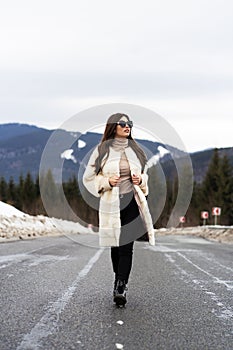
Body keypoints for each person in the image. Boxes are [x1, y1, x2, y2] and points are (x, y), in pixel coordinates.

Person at [83, 113, 155, 306]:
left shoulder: (136, 150)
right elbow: (88, 178)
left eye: (129, 123)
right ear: (113, 127)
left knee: (126, 246)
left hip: (132, 201)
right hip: (112, 204)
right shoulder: (102, 150)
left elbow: (144, 175)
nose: (127, 126)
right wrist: (106, 182)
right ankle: (118, 279)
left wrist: (141, 180)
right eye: (122, 123)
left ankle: (121, 285)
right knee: (115, 246)